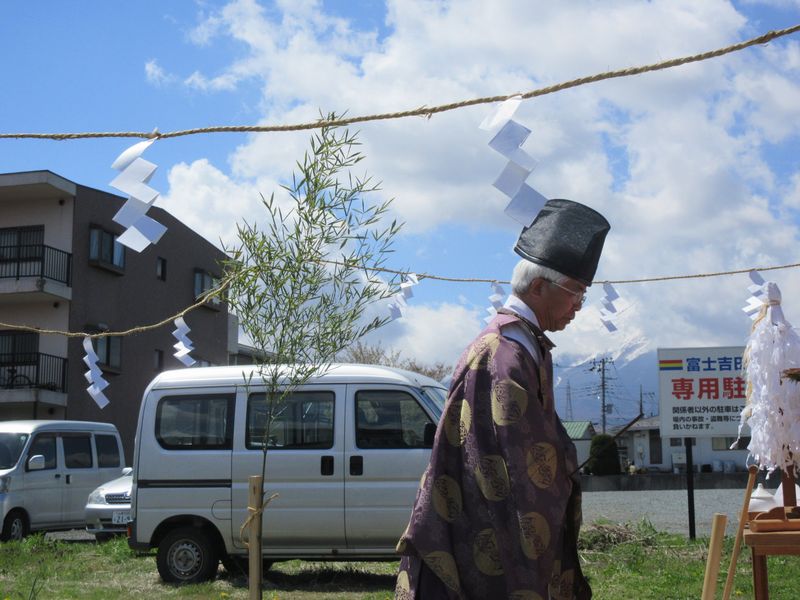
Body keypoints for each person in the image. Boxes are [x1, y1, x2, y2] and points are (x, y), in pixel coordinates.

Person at [395, 199, 610, 600]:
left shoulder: (520, 344)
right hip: (486, 531)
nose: (578, 307)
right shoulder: (504, 355)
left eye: (583, 295)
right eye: (575, 293)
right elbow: (517, 468)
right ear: (539, 286)